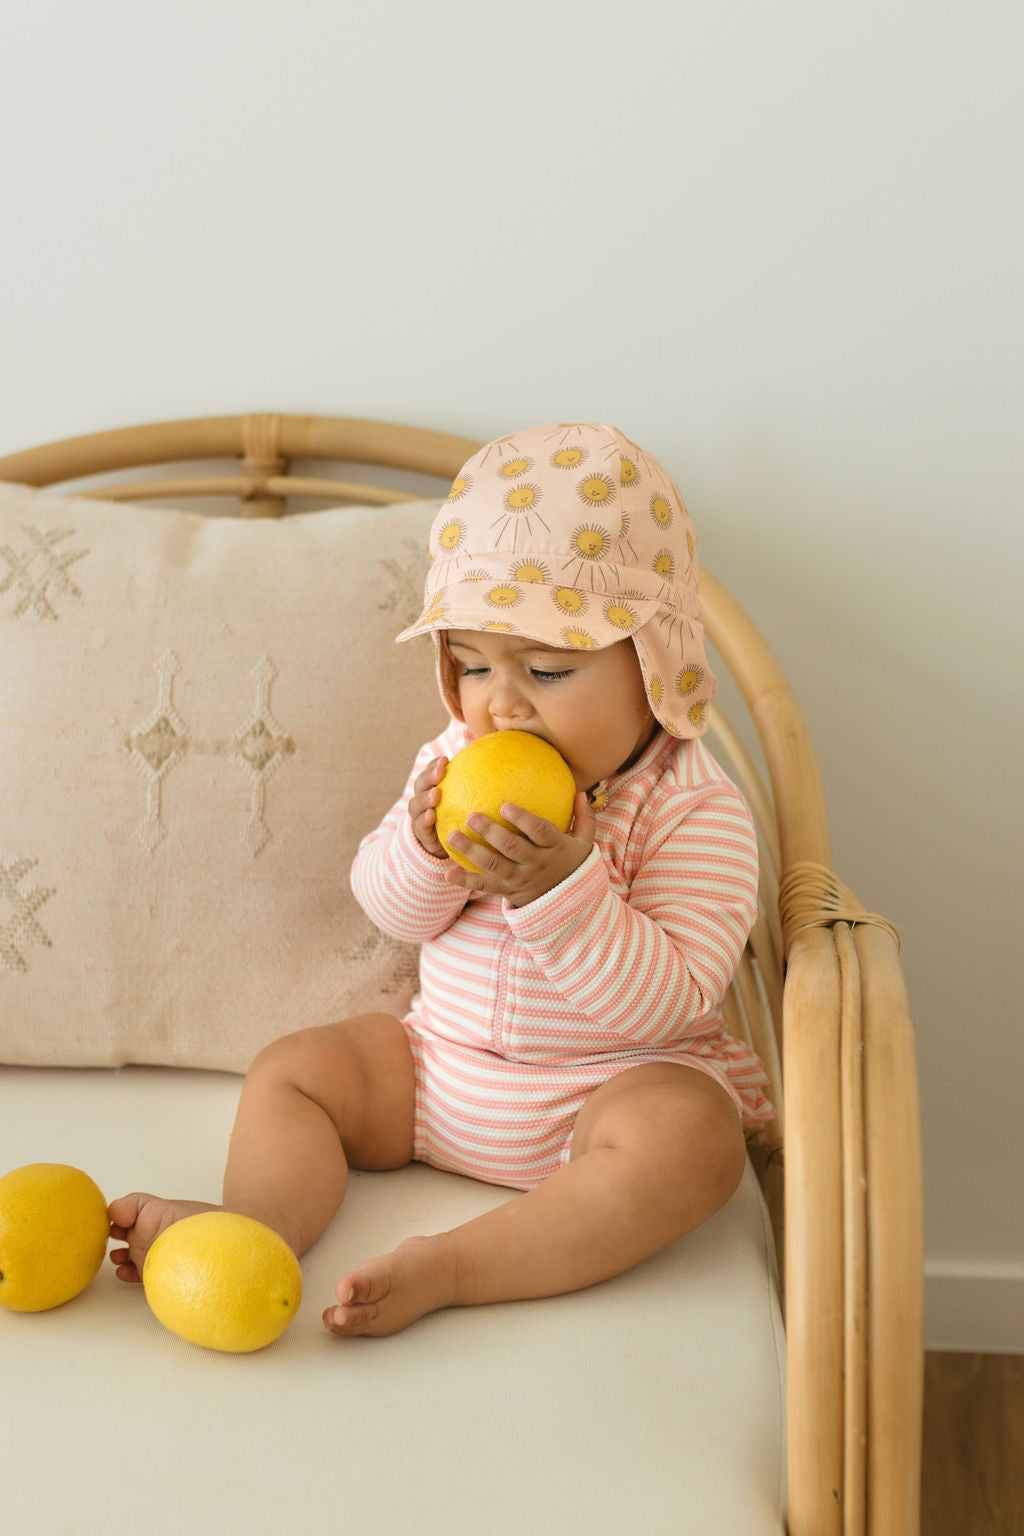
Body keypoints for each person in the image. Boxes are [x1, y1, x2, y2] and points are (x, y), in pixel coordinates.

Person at [108, 421, 774, 1338]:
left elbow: (667, 1005)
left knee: (696, 1140)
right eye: (472, 665)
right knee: (292, 1069)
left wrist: (559, 890)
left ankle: (458, 1265)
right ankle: (255, 1228)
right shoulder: (454, 759)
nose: (502, 702)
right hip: (436, 1075)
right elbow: (388, 911)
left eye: (548, 668)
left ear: (654, 665)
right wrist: (425, 852)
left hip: (607, 1092)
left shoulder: (692, 808)